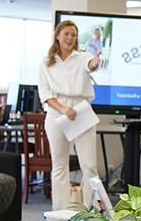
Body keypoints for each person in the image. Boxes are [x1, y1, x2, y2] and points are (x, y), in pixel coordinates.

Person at [38, 20, 102, 209]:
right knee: (59, 165)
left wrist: (95, 63)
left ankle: (92, 211)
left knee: (89, 166)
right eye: (66, 34)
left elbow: (91, 65)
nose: (70, 38)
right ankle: (60, 211)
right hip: (57, 113)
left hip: (81, 110)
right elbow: (45, 93)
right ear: (58, 35)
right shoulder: (46, 63)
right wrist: (63, 109)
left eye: (73, 35)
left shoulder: (82, 57)